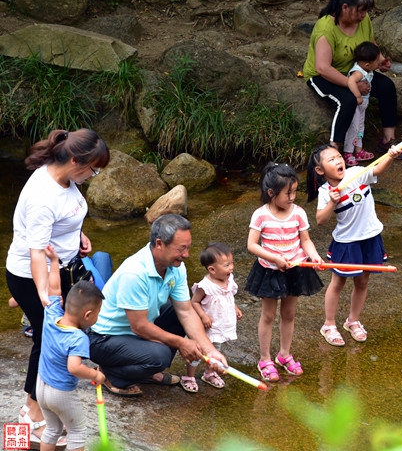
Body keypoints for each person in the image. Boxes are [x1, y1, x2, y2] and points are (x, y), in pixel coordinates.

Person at [5, 128, 109, 449]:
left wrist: (77, 237)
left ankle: (41, 408)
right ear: (75, 160)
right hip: (29, 274)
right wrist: (44, 295)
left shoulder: (68, 179)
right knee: (46, 338)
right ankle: (30, 411)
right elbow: (36, 254)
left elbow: (66, 217)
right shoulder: (41, 197)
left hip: (60, 265)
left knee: (51, 333)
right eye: (93, 169)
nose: (94, 175)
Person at [88, 214, 228, 396]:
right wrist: (181, 342)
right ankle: (112, 374)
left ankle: (145, 368)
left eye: (188, 248)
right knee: (159, 356)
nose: (186, 255)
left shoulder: (175, 266)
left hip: (137, 328)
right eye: (181, 249)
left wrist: (211, 351)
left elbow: (185, 311)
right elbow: (139, 326)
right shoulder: (135, 273)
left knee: (177, 314)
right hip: (104, 338)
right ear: (160, 244)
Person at [306, 142, 402, 347]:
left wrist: (390, 156)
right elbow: (320, 221)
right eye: (331, 159)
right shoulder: (326, 191)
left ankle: (353, 321)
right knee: (338, 282)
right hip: (347, 242)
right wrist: (332, 202)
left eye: (339, 156)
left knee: (362, 281)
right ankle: (329, 324)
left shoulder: (357, 172)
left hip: (370, 237)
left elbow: (377, 168)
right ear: (320, 170)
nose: (338, 160)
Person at [302, 0, 402, 160]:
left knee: (387, 87)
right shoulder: (325, 29)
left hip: (356, 72)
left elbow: (371, 44)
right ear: (345, 7)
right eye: (360, 11)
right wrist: (353, 85)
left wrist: (379, 61)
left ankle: (388, 140)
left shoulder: (363, 20)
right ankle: (334, 152)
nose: (363, 15)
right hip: (323, 76)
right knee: (348, 100)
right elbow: (323, 67)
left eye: (365, 11)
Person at [245, 163, 324, 380]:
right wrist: (275, 258)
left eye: (295, 191)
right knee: (268, 315)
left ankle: (284, 355)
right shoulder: (261, 215)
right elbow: (252, 245)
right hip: (270, 270)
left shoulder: (298, 213)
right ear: (271, 193)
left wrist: (314, 256)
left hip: (295, 269)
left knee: (289, 315)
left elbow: (305, 240)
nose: (292, 197)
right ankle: (265, 359)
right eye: (287, 193)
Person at [37, 245, 106, 451]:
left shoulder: (51, 314)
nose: (96, 318)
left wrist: (54, 262)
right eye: (97, 314)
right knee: (77, 432)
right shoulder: (78, 338)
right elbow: (74, 368)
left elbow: (54, 290)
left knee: (52, 429)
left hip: (41, 386)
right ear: (87, 315)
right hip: (61, 392)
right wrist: (95, 374)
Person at [185, 242, 242, 391]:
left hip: (220, 325)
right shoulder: (205, 286)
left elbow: (229, 296)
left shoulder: (229, 280)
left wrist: (234, 307)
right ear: (212, 269)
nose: (231, 268)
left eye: (231, 263)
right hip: (206, 327)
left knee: (216, 349)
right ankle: (189, 376)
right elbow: (194, 302)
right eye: (226, 265)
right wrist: (203, 316)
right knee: (198, 353)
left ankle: (209, 373)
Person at [342, 41, 384, 167]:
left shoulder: (366, 70)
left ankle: (359, 151)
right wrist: (358, 96)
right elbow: (350, 82)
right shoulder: (359, 72)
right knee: (353, 128)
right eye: (377, 61)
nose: (378, 63)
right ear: (367, 64)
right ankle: (348, 152)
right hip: (357, 105)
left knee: (360, 127)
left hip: (362, 106)